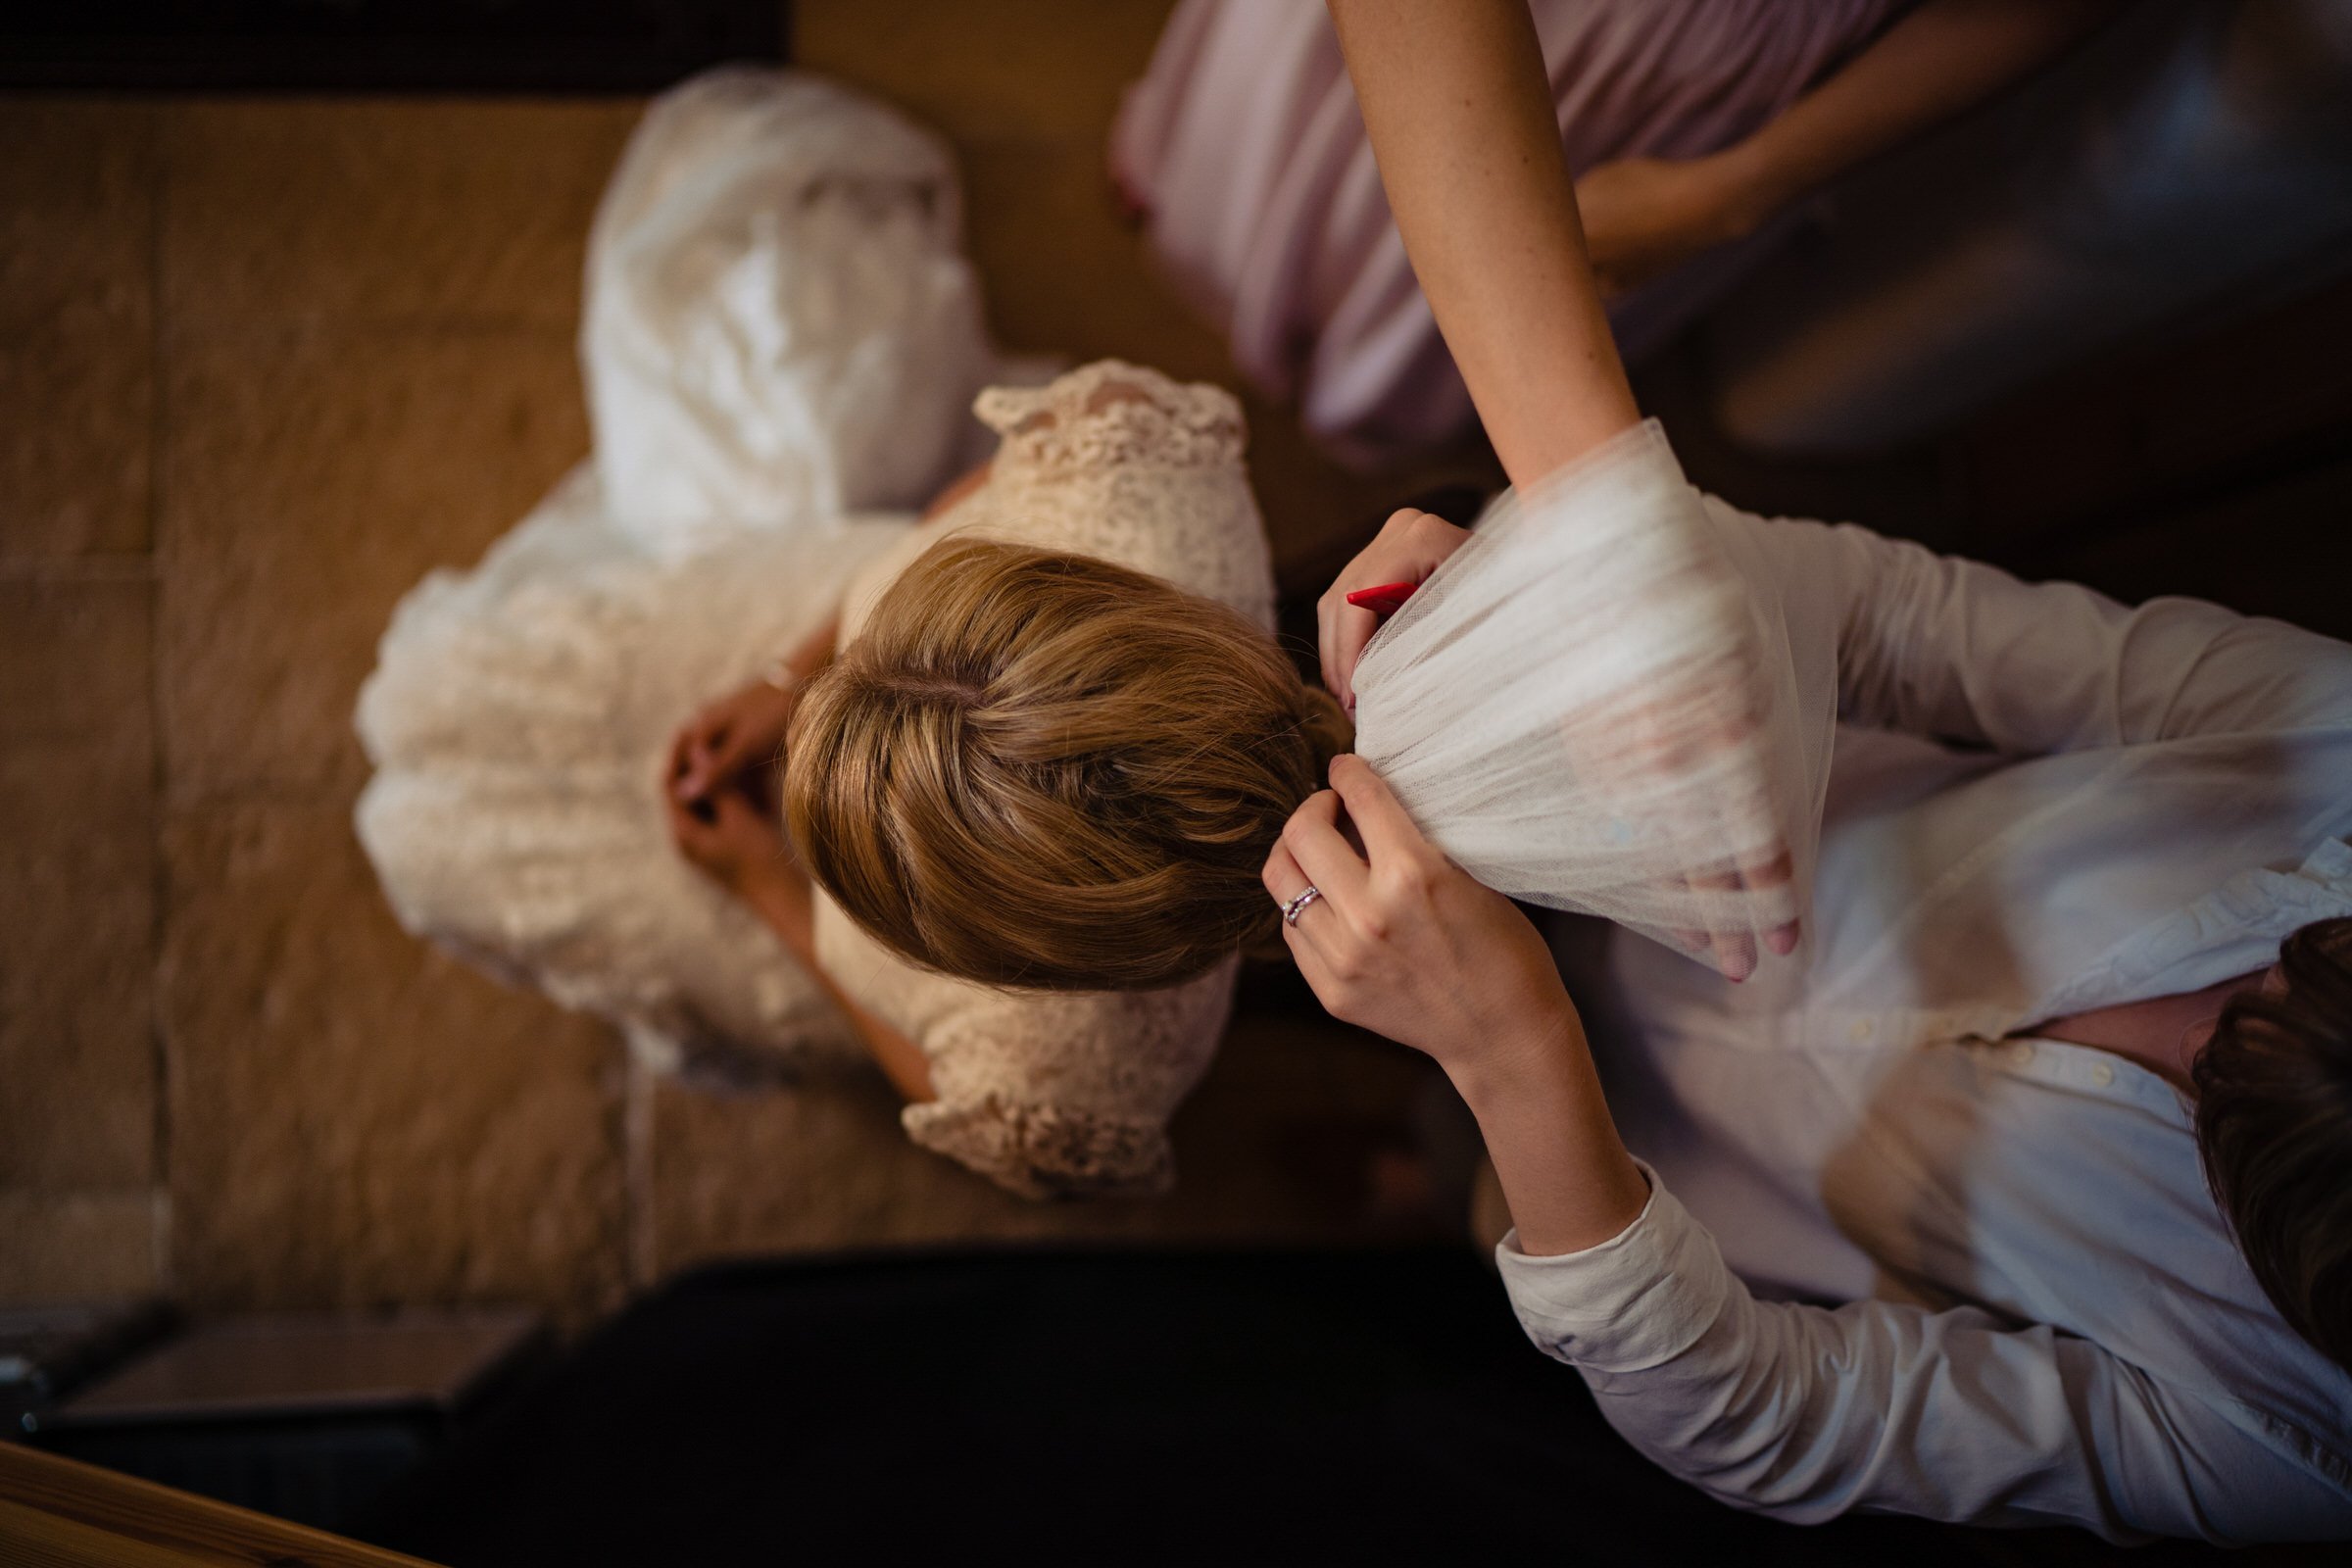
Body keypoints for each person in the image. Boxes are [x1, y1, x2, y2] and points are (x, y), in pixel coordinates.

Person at [1254, 0, 2352, 1541]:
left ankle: (1427, 1168)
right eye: (2274, 985)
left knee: (1438, 1164)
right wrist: (1609, 603)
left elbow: (1770, 1418)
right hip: (1653, 772)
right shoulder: (2339, 753)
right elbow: (1916, 627)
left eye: (2202, 1128)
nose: (2195, 1035)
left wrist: (1510, 1064)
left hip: (1655, 1174)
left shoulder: (2285, 1455)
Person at [356, 70, 1336, 1198]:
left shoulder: (1070, 1075)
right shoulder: (1121, 476)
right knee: (426, 693)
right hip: (805, 671)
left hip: (770, 888)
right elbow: (977, 489)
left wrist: (769, 887)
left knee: (426, 841)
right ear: (1029, 602)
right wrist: (793, 675)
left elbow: (940, 1083)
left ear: (1014, 962)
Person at [1112, 0, 2119, 461]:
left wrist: (1738, 186)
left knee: (1524, 267)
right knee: (1312, 133)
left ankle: (1354, 367)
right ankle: (1214, 219)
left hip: (1705, 57)